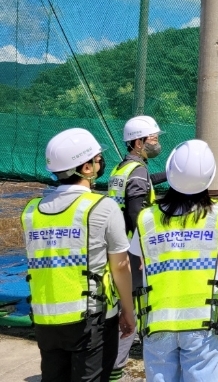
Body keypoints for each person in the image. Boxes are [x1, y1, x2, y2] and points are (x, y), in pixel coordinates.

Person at [21, 128, 136, 382]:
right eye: (96, 159)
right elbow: (120, 266)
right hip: (91, 320)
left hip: (45, 318)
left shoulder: (31, 212)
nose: (100, 162)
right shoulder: (102, 207)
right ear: (85, 168)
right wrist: (128, 310)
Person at [130, 140, 218, 382]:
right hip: (204, 320)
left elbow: (142, 266)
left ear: (170, 174)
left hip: (157, 319)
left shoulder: (147, 218)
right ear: (209, 177)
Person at [107, 115, 168, 381]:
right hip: (132, 249)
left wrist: (169, 173)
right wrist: (144, 249)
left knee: (121, 305)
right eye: (153, 139)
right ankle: (116, 369)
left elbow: (144, 183)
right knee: (133, 308)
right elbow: (135, 210)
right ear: (138, 142)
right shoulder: (138, 171)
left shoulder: (121, 168)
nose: (156, 143)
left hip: (115, 245)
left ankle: (111, 364)